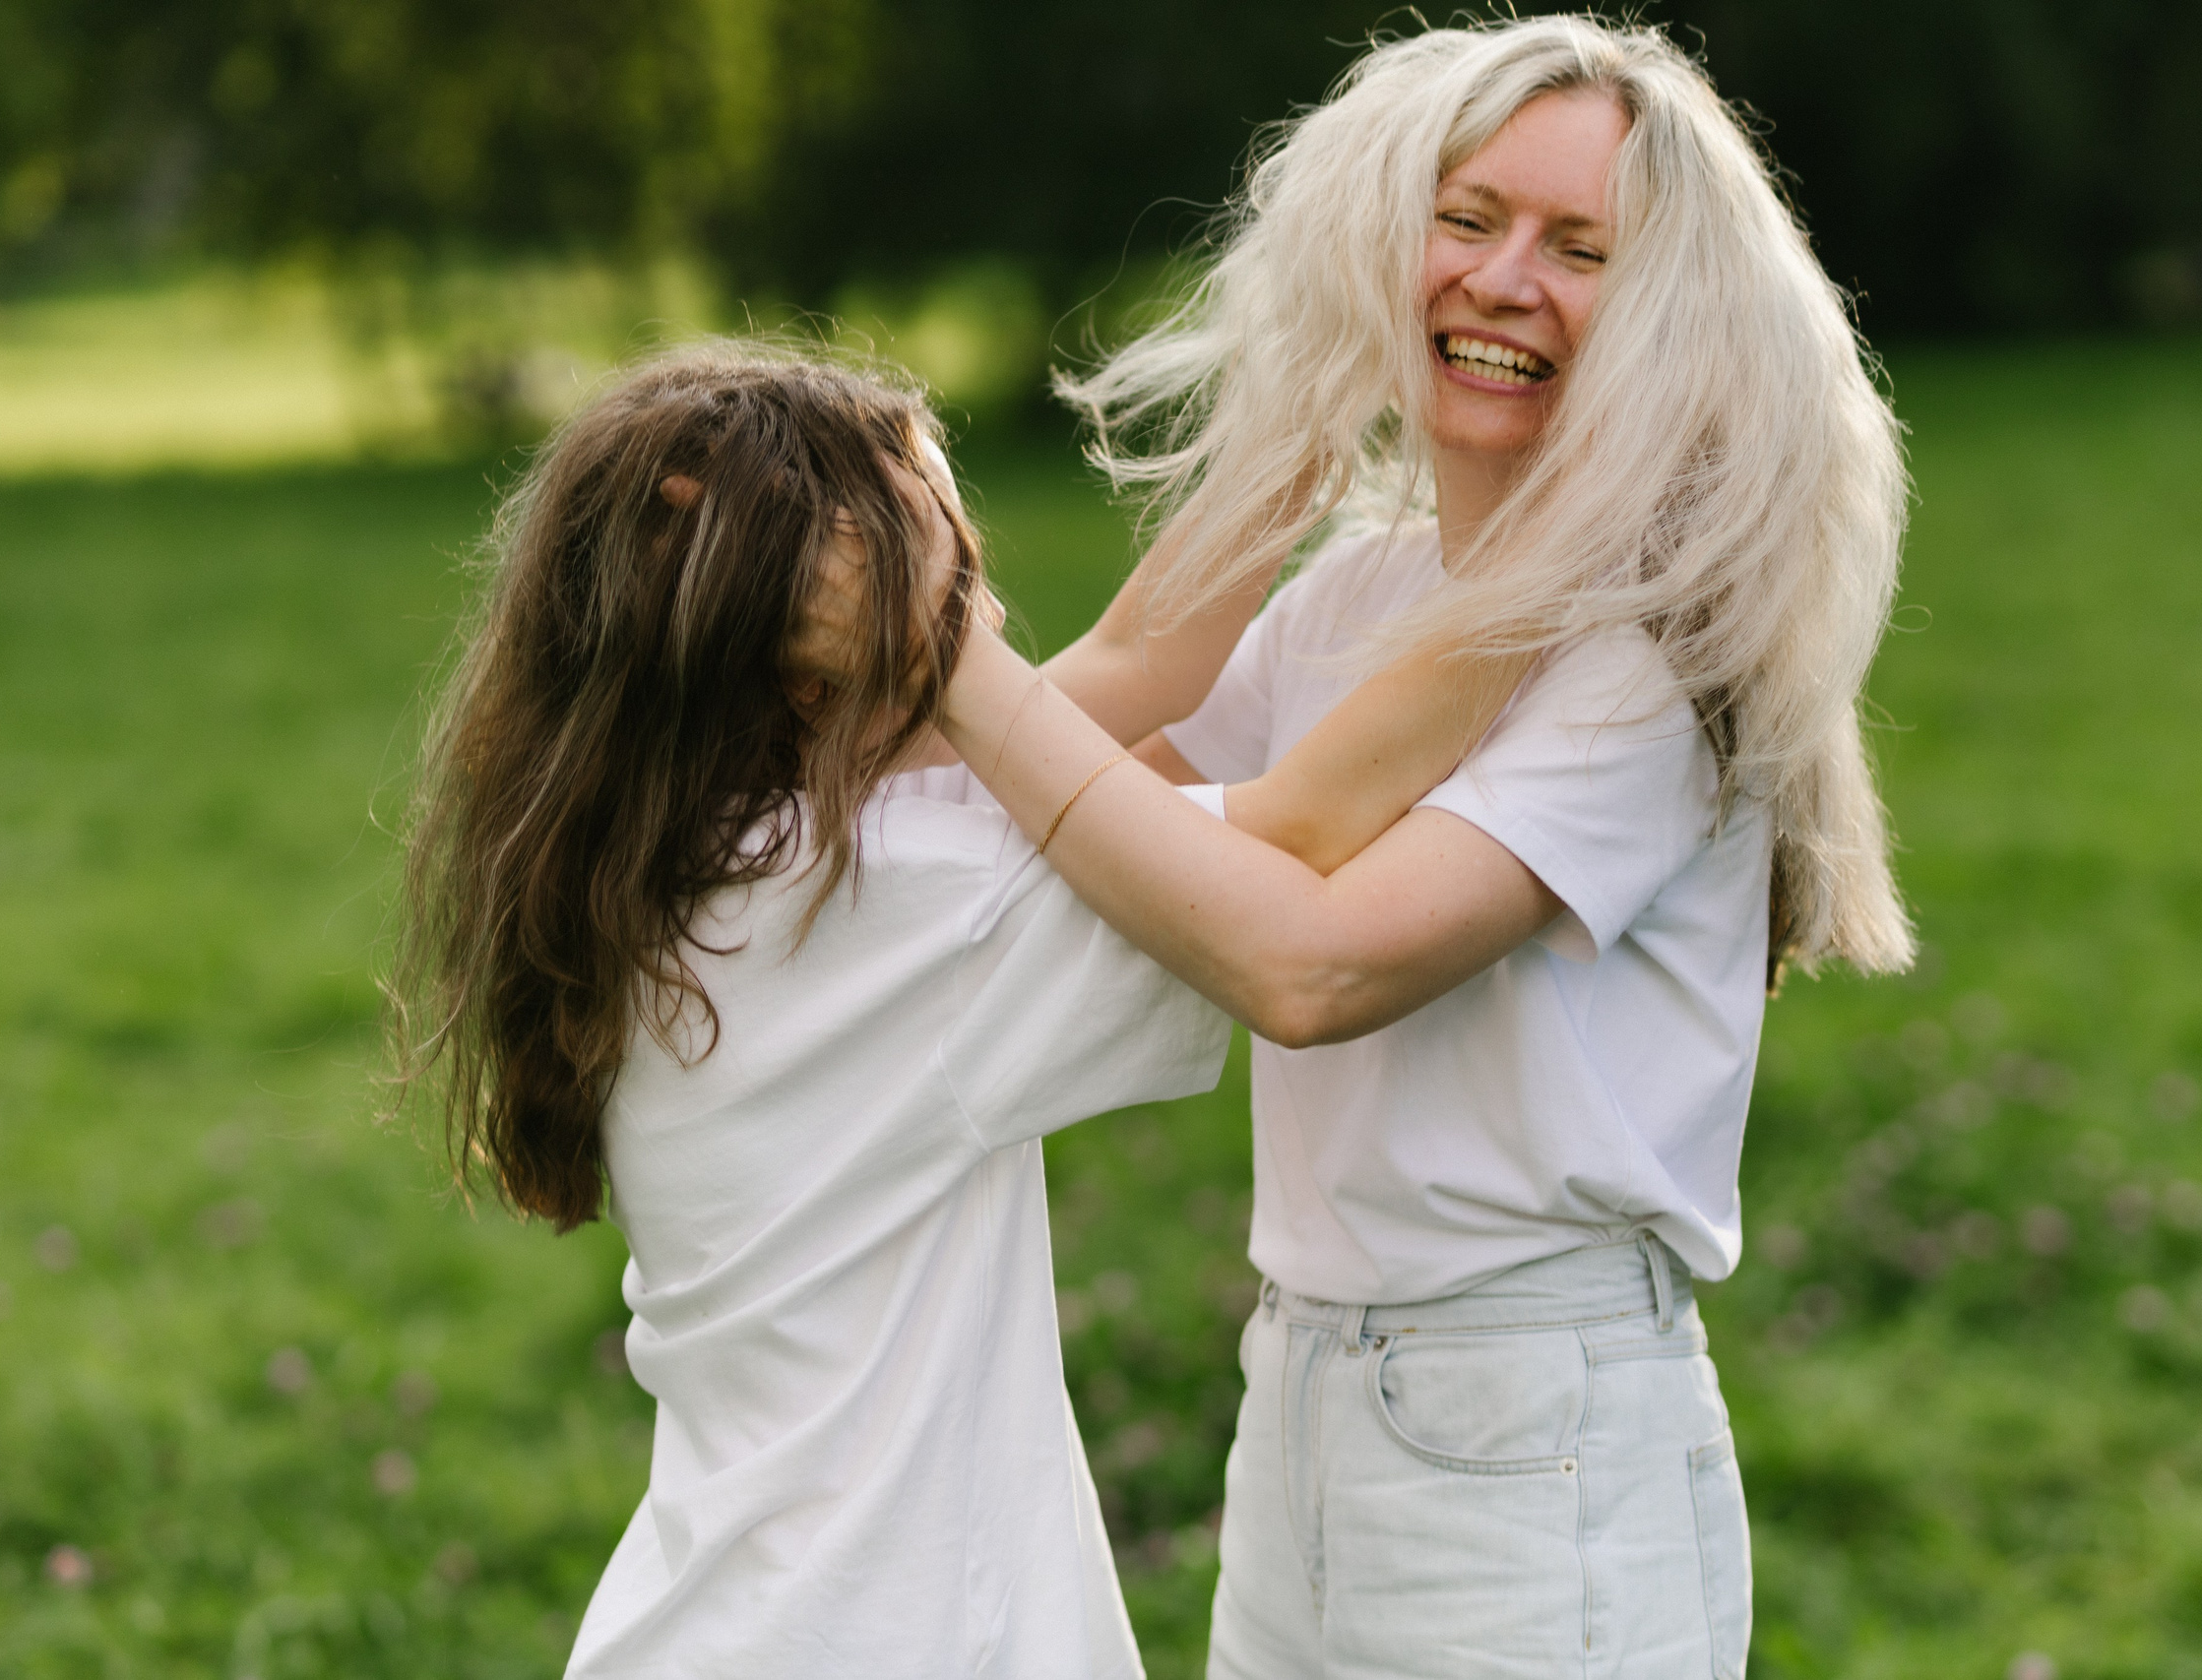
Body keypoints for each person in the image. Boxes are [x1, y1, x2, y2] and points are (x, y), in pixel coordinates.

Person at [801, 16, 1917, 1678]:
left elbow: (1309, 961)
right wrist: (1275, 457)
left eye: (1581, 249)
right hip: (1306, 1394)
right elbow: (1067, 785)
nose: (1503, 280)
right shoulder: (1365, 595)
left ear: (1673, 319)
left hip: (1533, 1431)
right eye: (1464, 221)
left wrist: (945, 652)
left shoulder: (1658, 653)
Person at [387, 344, 1535, 1679]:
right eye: (952, 597)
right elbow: (1299, 831)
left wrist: (1318, 394)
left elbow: (1130, 665)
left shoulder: (684, 869)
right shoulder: (891, 904)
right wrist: (1596, 552)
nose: (989, 638)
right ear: (822, 675)